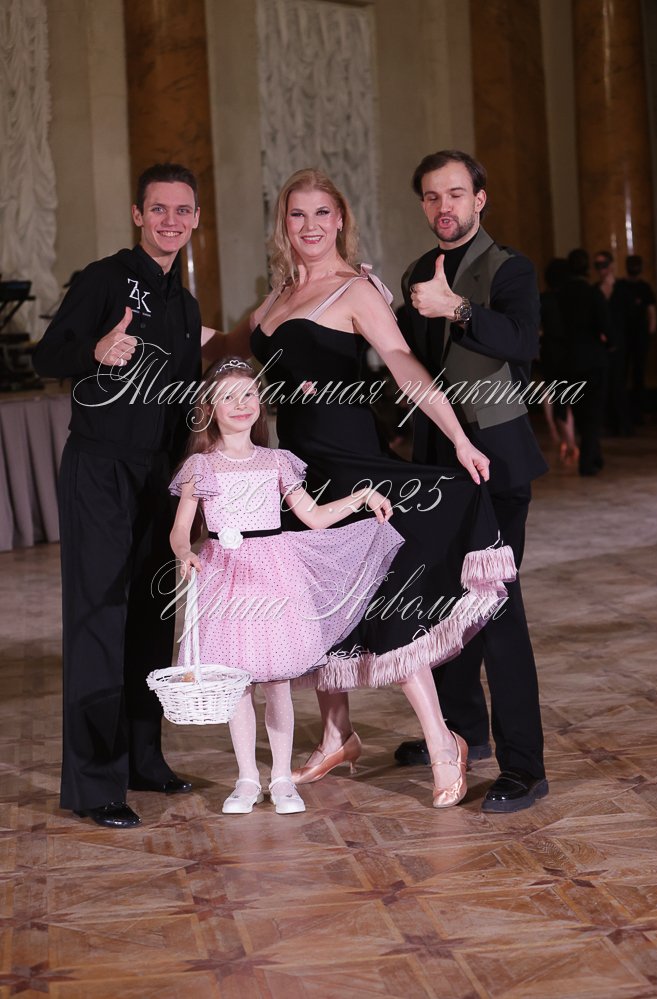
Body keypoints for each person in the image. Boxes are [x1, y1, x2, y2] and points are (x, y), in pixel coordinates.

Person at [224, 168, 517, 809]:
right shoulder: (275, 299)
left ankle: (442, 741)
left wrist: (460, 439)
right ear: (283, 224)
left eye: (321, 214)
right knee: (316, 603)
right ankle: (338, 734)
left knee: (384, 602)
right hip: (297, 470)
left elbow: (405, 366)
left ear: (340, 221)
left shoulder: (355, 290)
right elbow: (227, 351)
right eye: (297, 214)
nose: (309, 226)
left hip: (352, 463)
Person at [32, 163, 203, 828]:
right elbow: (48, 355)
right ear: (138, 215)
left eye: (182, 210)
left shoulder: (185, 306)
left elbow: (184, 398)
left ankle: (143, 759)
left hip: (159, 474)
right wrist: (95, 351)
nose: (170, 221)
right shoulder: (104, 279)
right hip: (100, 468)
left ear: (195, 219)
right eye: (158, 209)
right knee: (99, 619)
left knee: (153, 618)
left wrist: (194, 477)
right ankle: (95, 783)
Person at [169, 358, 403, 814]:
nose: (242, 404)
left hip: (275, 575)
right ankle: (246, 778)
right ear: (209, 408)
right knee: (237, 682)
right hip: (225, 577)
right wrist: (184, 553)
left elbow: (312, 517)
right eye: (229, 397)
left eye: (249, 394)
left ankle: (280, 778)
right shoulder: (201, 466)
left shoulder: (276, 461)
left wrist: (361, 496)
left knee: (276, 682)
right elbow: (181, 530)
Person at [395, 149, 549, 812]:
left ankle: (525, 767)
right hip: (437, 464)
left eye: (455, 193)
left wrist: (454, 307)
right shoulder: (415, 273)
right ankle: (464, 732)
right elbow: (406, 362)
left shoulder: (510, 268)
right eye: (432, 196)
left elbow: (521, 340)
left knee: (498, 611)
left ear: (479, 199)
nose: (444, 207)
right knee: (446, 604)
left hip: (496, 458)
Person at [560, 249, 614, 476]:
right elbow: (606, 326)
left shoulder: (559, 295)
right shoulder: (592, 293)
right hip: (592, 359)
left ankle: (595, 456)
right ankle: (588, 461)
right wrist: (611, 344)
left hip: (568, 359)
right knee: (593, 411)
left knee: (580, 411)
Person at [539, 257, 578, 466]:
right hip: (571, 351)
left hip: (551, 351)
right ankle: (569, 441)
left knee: (554, 394)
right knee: (567, 397)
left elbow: (537, 327)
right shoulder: (573, 298)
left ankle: (560, 435)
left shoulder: (544, 299)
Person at [592, 250, 631, 436]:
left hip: (620, 342)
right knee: (605, 384)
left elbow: (629, 316)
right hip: (601, 345)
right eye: (597, 266)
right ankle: (609, 424)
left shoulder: (622, 288)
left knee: (619, 383)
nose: (601, 269)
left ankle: (624, 424)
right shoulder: (594, 290)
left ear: (611, 265)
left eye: (604, 265)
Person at [619, 254, 657, 424]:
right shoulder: (621, 286)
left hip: (639, 336)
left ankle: (639, 410)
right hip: (624, 336)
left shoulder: (644, 288)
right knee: (622, 373)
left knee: (639, 374)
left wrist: (649, 333)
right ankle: (624, 410)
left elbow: (651, 312)